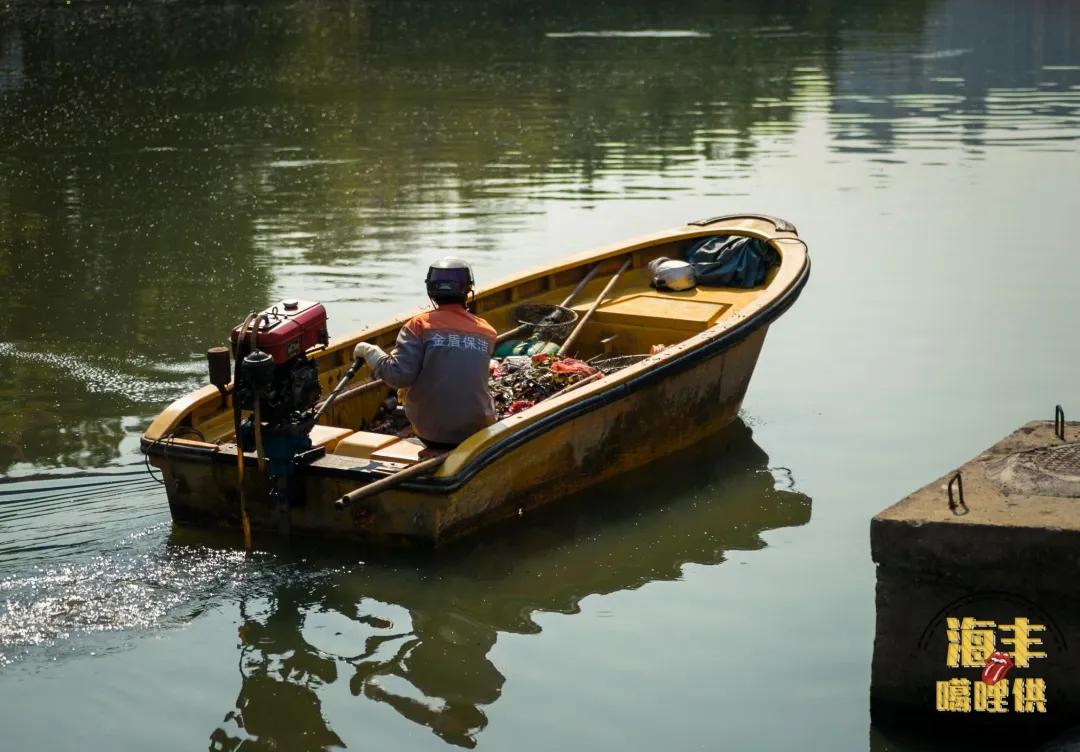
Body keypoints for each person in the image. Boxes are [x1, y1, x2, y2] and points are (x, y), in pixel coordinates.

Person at [353, 258, 497, 450]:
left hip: (431, 434)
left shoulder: (418, 325)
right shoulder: (487, 331)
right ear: (467, 290)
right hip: (477, 431)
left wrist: (368, 351)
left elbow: (399, 376)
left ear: (431, 290)